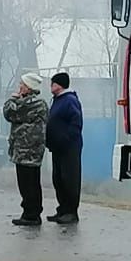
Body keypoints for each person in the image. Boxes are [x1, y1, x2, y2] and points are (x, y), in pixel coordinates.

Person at [4, 72, 49, 227]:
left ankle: (32, 215)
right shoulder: (28, 102)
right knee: (27, 183)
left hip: (29, 150)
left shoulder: (35, 103)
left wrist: (12, 98)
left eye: (22, 84)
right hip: (24, 149)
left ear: (29, 87)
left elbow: (9, 113)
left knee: (29, 183)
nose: (19, 87)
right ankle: (30, 212)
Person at [45, 72, 83, 225]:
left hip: (69, 148)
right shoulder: (56, 100)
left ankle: (71, 212)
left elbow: (76, 123)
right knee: (58, 179)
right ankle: (62, 209)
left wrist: (66, 139)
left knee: (69, 179)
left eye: (53, 83)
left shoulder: (69, 100)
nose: (51, 86)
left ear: (59, 85)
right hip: (57, 147)